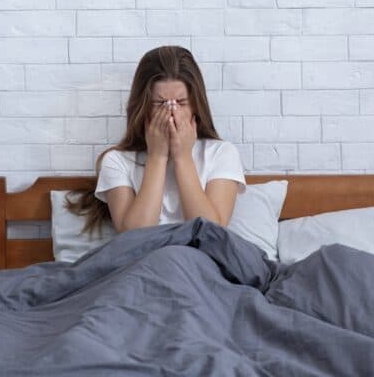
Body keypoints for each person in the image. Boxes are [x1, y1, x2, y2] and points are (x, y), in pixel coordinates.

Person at [66, 45, 246, 236]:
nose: (171, 112)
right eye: (160, 103)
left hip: (196, 262)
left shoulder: (222, 154)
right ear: (144, 107)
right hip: (147, 261)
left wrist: (183, 157)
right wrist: (157, 157)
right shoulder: (116, 161)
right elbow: (133, 238)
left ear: (195, 104)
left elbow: (211, 234)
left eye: (181, 102)